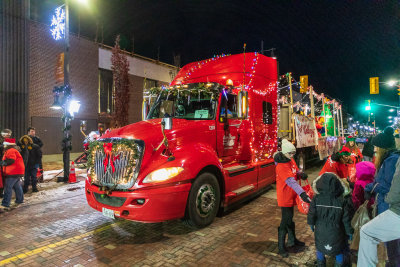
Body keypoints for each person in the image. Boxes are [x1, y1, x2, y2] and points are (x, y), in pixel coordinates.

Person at [362, 126, 400, 266]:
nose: (375, 150)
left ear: (383, 148)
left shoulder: (391, 161)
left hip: (389, 206)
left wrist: (371, 187)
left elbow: (390, 186)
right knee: (391, 242)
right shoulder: (389, 159)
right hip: (385, 204)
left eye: (377, 147)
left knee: (393, 243)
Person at [308, 172, 353, 267]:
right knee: (339, 250)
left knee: (320, 248)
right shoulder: (342, 201)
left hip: (320, 230)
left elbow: (311, 213)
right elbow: (346, 219)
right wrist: (349, 232)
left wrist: (311, 223)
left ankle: (321, 264)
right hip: (336, 231)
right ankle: (338, 265)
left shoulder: (316, 198)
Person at [274, 139, 310, 258]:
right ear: (284, 152)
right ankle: (281, 246)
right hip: (285, 196)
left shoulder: (290, 159)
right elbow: (291, 182)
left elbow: (294, 171)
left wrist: (300, 173)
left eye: (293, 153)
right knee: (285, 220)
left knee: (290, 218)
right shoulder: (281, 166)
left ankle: (293, 240)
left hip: (291, 194)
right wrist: (302, 193)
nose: (292, 155)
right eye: (290, 153)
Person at [0, 138, 24, 212]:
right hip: (17, 171)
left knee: (8, 187)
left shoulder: (10, 151)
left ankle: (5, 203)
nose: (3, 145)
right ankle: (19, 199)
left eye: (4, 144)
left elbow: (11, 160)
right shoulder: (13, 150)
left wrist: (2, 163)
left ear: (8, 145)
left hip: (13, 172)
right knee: (17, 186)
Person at [0, 129, 12, 199]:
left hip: (6, 161)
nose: (8, 136)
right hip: (1, 161)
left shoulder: (10, 141)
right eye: (7, 135)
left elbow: (13, 149)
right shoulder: (2, 141)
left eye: (9, 135)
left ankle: (2, 192)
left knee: (4, 178)